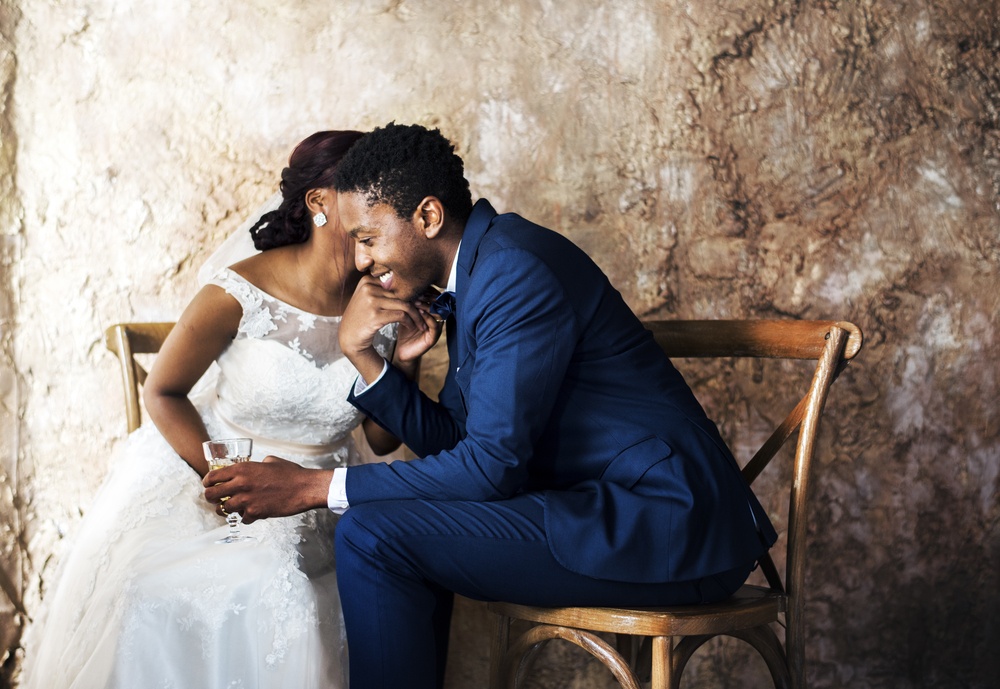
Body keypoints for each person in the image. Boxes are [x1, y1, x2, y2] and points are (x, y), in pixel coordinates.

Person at [204, 122, 778, 689]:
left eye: (367, 237)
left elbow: (489, 468)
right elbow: (465, 446)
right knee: (378, 528)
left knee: (372, 534)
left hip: (667, 526)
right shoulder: (478, 270)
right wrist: (369, 361)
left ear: (427, 217)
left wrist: (313, 487)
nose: (359, 260)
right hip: (599, 510)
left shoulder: (514, 269)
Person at [21, 130, 432, 689]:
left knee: (321, 582)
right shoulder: (239, 292)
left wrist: (402, 364)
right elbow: (162, 392)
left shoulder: (386, 293)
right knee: (175, 584)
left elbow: (383, 442)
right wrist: (221, 476)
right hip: (220, 468)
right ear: (318, 203)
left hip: (324, 487)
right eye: (363, 191)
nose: (379, 207)